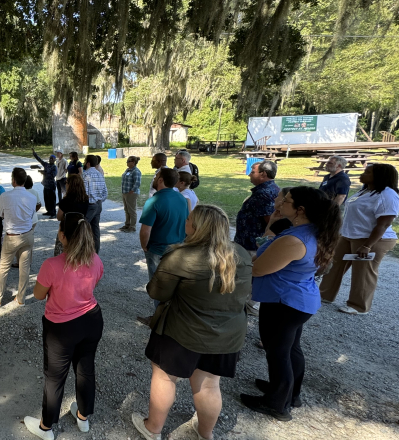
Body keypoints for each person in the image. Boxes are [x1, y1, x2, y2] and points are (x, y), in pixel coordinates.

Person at [131, 205, 252, 440]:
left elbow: (157, 292)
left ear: (196, 227)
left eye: (188, 219)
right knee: (208, 384)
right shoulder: (242, 255)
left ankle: (153, 428)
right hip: (226, 335)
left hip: (181, 331)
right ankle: (205, 433)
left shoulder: (180, 256)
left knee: (165, 377)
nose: (185, 222)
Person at [240, 187, 341, 421]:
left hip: (283, 301)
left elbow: (259, 268)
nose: (280, 203)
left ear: (300, 209)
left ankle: (277, 403)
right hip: (298, 300)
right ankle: (290, 393)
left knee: (278, 352)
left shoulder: (294, 240)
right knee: (290, 348)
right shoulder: (313, 230)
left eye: (286, 201)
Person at [24, 213, 104, 440]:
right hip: (92, 320)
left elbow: (38, 295)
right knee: (86, 369)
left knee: (55, 377)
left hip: (61, 328)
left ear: (62, 236)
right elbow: (94, 282)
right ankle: (83, 416)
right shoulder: (95, 259)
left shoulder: (52, 265)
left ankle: (46, 427)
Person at [319, 163, 399, 314]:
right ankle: (324, 295)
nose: (362, 174)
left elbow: (384, 224)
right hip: (349, 235)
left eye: (367, 172)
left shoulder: (388, 194)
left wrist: (367, 246)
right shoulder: (366, 190)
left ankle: (358, 305)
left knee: (363, 272)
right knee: (333, 264)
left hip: (372, 239)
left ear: (378, 176)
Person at [137, 168, 189, 325]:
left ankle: (158, 319)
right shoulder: (181, 198)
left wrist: (144, 246)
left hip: (158, 248)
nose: (154, 178)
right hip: (178, 247)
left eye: (156, 176)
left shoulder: (154, 201)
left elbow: (145, 230)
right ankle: (173, 315)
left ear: (160, 180)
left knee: (158, 284)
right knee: (175, 283)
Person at [0, 167, 37, 307]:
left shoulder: (5, 196)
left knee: (3, 267)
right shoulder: (33, 197)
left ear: (13, 180)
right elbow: (31, 214)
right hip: (27, 235)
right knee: (24, 268)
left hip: (12, 236)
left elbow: (1, 214)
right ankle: (21, 298)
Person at [234, 160, 280, 253]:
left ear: (263, 174)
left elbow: (270, 220)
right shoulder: (272, 188)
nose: (249, 175)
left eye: (252, 172)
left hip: (252, 246)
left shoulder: (263, 193)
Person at [56, 174, 90, 255]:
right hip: (80, 229)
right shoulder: (85, 199)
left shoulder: (65, 201)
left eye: (66, 182)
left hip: (67, 229)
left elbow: (59, 217)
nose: (65, 184)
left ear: (70, 185)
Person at [83, 155, 108, 253]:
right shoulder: (99, 174)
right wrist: (99, 199)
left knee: (83, 227)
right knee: (95, 229)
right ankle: (95, 252)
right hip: (98, 204)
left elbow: (84, 192)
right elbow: (105, 192)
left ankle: (84, 252)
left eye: (85, 161)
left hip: (90, 204)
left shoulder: (86, 175)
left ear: (88, 163)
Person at [33, 147, 59, 217]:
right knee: (46, 199)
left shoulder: (54, 167)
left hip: (51, 186)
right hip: (46, 185)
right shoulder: (46, 165)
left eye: (52, 158)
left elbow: (53, 175)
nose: (50, 159)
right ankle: (49, 211)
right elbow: (40, 160)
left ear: (54, 160)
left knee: (52, 200)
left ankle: (53, 213)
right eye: (50, 158)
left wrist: (44, 172)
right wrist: (34, 154)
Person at [120, 156, 142, 233]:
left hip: (131, 193)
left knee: (132, 210)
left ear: (133, 162)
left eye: (129, 161)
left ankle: (132, 226)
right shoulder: (128, 170)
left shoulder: (136, 171)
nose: (127, 162)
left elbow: (137, 182)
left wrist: (132, 190)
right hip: (125, 192)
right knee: (126, 209)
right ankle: (127, 224)